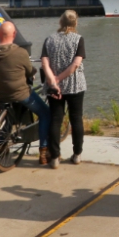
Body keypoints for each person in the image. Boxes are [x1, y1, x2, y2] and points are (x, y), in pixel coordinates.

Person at [0, 21, 53, 165]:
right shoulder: (20, 52)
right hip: (19, 93)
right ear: (14, 35)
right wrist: (33, 72)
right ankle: (44, 151)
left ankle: (2, 146)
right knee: (46, 113)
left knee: (8, 112)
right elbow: (29, 71)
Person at [42, 10, 87, 169]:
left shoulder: (49, 39)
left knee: (55, 120)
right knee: (76, 118)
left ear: (61, 22)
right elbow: (76, 64)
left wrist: (53, 81)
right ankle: (77, 155)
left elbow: (45, 63)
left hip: (55, 88)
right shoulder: (78, 39)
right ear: (75, 23)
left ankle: (54, 157)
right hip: (75, 86)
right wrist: (60, 78)